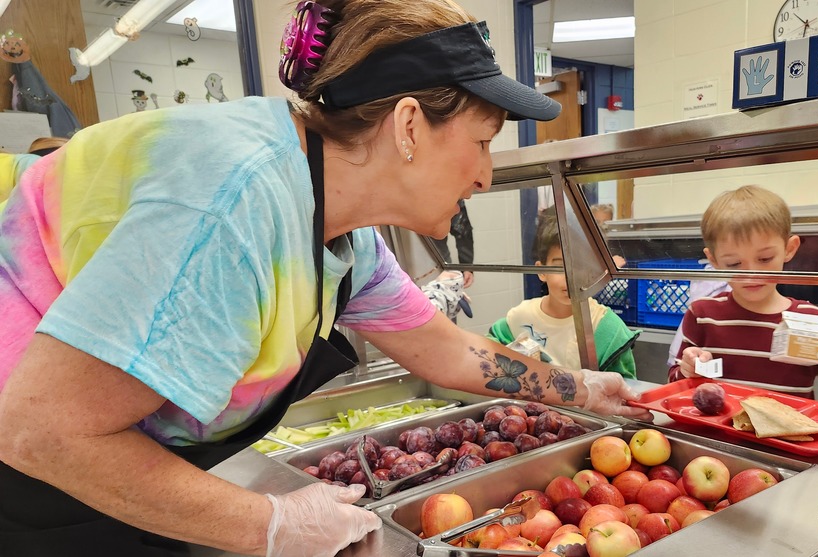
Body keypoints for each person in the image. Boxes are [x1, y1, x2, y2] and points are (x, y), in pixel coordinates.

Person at [0, 1, 652, 556]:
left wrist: (578, 387)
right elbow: (42, 431)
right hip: (34, 484)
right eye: (480, 142)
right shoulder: (234, 204)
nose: (485, 175)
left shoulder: (339, 223)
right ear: (406, 127)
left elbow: (447, 349)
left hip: (114, 467)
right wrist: (274, 522)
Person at [668, 185, 818, 397]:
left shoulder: (815, 320)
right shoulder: (702, 315)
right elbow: (674, 382)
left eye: (764, 259)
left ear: (789, 249)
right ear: (714, 260)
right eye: (734, 263)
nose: (750, 274)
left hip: (786, 430)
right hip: (716, 429)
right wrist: (687, 369)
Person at [488, 209, 640, 378]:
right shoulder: (518, 318)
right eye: (560, 267)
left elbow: (624, 387)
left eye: (583, 266)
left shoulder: (608, 328)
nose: (571, 278)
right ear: (542, 271)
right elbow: (489, 358)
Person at [430, 198, 475, 289]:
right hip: (438, 267)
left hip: (441, 268)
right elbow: (462, 230)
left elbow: (462, 230)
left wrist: (467, 266)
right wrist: (467, 266)